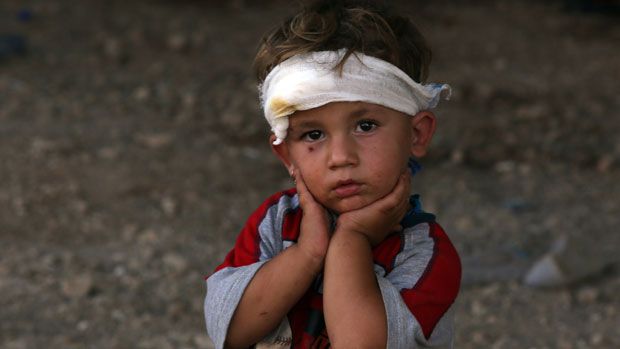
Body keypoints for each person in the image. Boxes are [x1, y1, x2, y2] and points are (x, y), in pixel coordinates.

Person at [204, 1, 461, 348]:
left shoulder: (424, 254)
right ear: (286, 154)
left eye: (365, 126)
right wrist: (307, 252)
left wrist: (350, 239)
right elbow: (231, 332)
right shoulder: (277, 223)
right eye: (313, 135)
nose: (341, 158)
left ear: (416, 134)